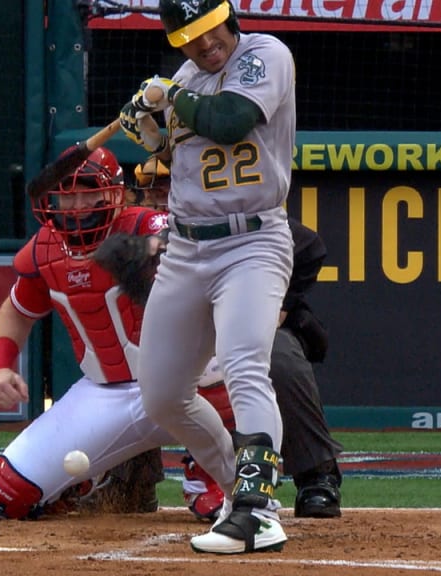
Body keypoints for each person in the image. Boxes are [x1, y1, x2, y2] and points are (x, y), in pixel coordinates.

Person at [119, 0, 296, 555]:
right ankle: (234, 495)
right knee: (163, 394)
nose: (203, 45)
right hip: (187, 247)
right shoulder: (187, 78)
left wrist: (169, 96)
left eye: (209, 30)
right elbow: (169, 149)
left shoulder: (263, 55)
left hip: (252, 240)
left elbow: (229, 120)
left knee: (245, 364)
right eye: (189, 37)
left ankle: (257, 507)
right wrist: (146, 128)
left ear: (229, 20)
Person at [127, 157, 344, 521]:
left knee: (275, 358)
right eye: (152, 189)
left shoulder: (224, 214)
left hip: (244, 316)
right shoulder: (135, 228)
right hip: (183, 328)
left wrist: (281, 310)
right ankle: (130, 482)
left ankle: (315, 475)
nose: (159, 196)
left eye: (167, 186)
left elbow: (309, 248)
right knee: (143, 369)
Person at [0, 147, 173, 519]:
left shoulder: (148, 226)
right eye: (67, 193)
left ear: (113, 194)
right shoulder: (45, 249)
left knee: (221, 501)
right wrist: (0, 367)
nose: (78, 204)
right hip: (104, 392)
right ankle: (87, 482)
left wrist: (153, 251)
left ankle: (214, 476)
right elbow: (16, 311)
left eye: (88, 191)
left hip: (179, 382)